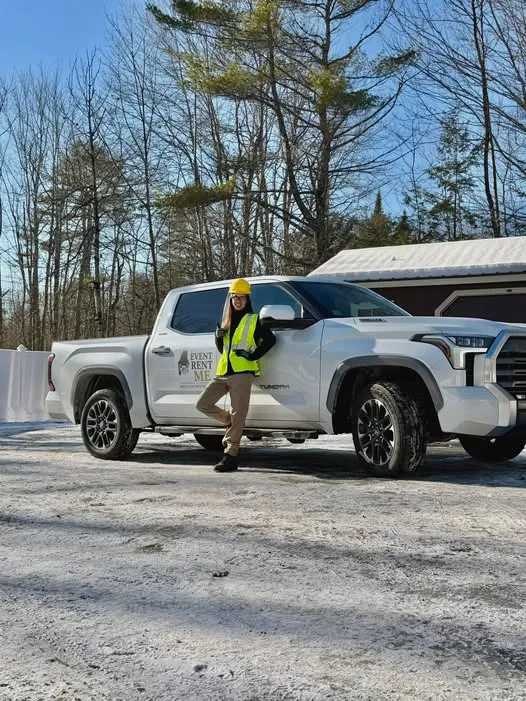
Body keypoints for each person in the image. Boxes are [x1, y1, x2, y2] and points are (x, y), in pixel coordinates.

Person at [196, 279, 276, 472]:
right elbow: (223, 349)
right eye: (235, 297)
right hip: (224, 372)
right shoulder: (226, 321)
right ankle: (230, 422)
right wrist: (217, 336)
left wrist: (253, 355)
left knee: (239, 412)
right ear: (231, 299)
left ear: (247, 299)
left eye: (241, 297)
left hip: (242, 373)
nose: (238, 301)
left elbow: (271, 340)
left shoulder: (254, 319)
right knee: (202, 404)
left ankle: (230, 456)